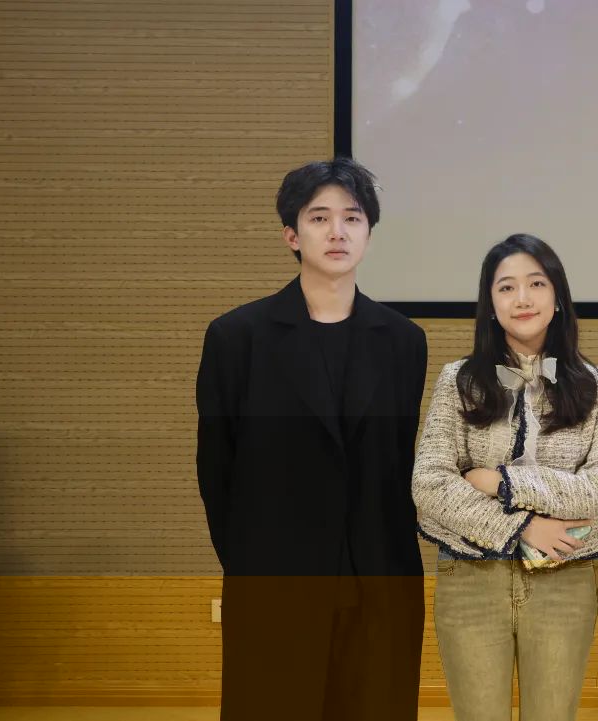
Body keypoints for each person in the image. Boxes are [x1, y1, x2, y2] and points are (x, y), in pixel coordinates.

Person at [196, 158, 428, 720]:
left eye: (352, 217)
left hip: (379, 573)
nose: (337, 231)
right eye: (319, 217)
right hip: (275, 572)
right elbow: (216, 468)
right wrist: (253, 561)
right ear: (291, 235)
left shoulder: (403, 341)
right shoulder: (237, 337)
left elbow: (399, 463)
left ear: (369, 232)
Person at [412, 234, 598, 721]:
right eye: (506, 287)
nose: (522, 298)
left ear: (558, 297)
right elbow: (430, 482)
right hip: (470, 577)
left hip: (563, 579)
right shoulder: (459, 380)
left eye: (536, 284)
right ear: (490, 304)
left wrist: (500, 482)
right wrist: (524, 527)